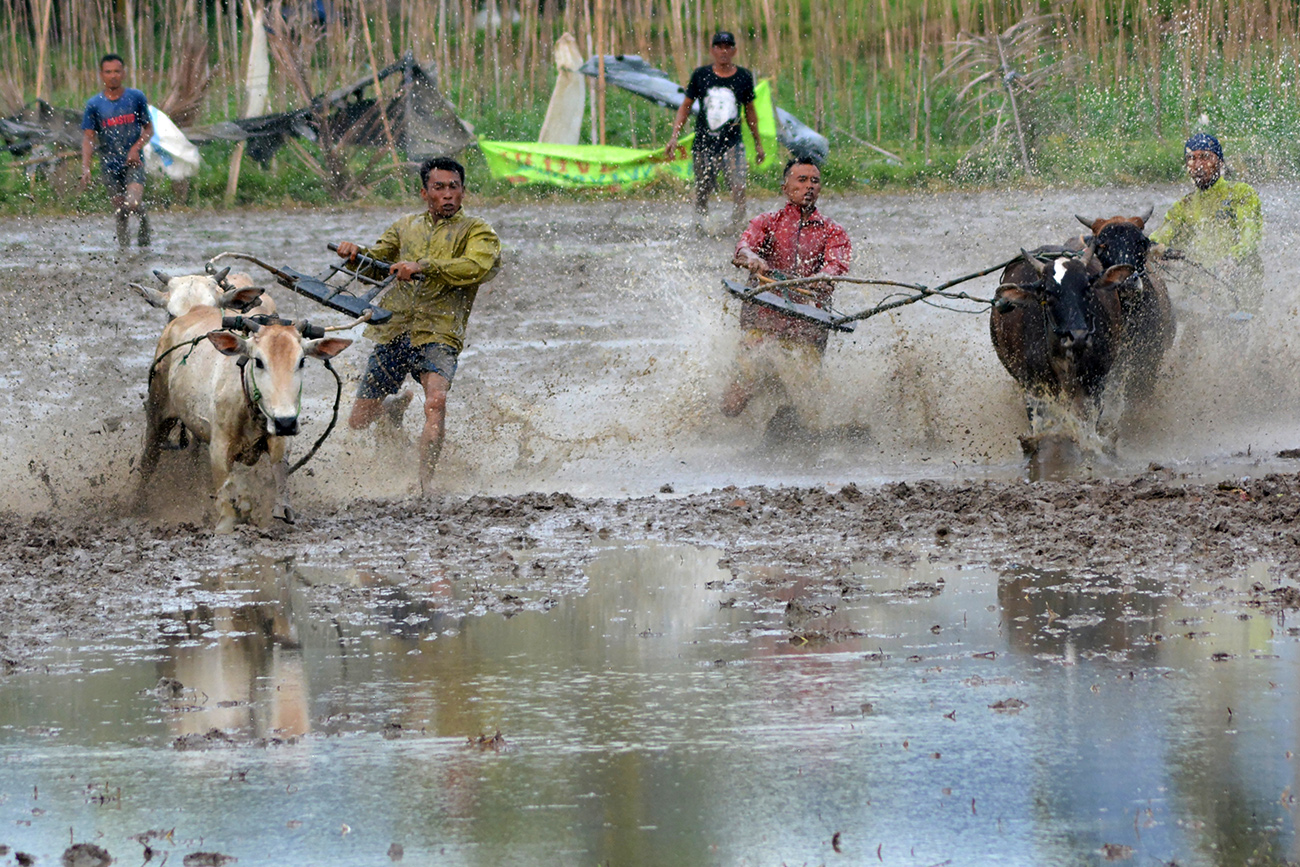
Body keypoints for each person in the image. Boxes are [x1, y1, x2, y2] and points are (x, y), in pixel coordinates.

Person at [334, 157, 501, 496]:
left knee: (435, 402)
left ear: (464, 192)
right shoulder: (405, 226)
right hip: (393, 329)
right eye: (439, 187)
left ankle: (425, 484)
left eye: (454, 187)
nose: (448, 194)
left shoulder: (477, 231)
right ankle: (390, 411)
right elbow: (377, 266)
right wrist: (355, 255)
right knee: (358, 421)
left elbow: (476, 267)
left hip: (439, 331)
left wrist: (424, 266)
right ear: (424, 193)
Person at [723, 157, 851, 421]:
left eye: (814, 181)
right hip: (763, 322)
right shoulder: (767, 222)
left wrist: (823, 277)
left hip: (807, 327)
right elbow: (743, 248)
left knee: (806, 408)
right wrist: (753, 259)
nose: (809, 186)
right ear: (785, 187)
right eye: (801, 180)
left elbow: (836, 264)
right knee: (732, 405)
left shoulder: (833, 231)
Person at [1150, 132, 1263, 312]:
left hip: (1240, 287)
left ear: (1220, 161)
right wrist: (1150, 247)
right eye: (1191, 158)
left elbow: (1249, 236)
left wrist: (1231, 260)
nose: (1198, 165)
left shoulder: (1241, 193)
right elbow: (1161, 235)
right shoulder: (1183, 206)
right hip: (1200, 287)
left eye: (1205, 157)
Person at [665, 31, 766, 229]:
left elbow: (751, 112)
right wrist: (674, 136)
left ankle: (738, 227)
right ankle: (700, 224)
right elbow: (685, 106)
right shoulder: (701, 75)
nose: (723, 51)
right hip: (704, 142)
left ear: (734, 50)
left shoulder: (743, 77)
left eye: (727, 47)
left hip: (732, 142)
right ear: (712, 50)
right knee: (703, 188)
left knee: (738, 186)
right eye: (719, 47)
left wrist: (758, 143)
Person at [81, 53, 153, 250]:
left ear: (124, 73)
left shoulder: (136, 98)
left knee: (133, 203)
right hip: (109, 164)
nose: (113, 76)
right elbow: (88, 137)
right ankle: (124, 250)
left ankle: (144, 230)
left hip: (133, 161)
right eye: (108, 72)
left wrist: (135, 148)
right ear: (101, 74)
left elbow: (149, 129)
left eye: (117, 71)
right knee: (120, 210)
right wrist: (86, 168)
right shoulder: (95, 105)